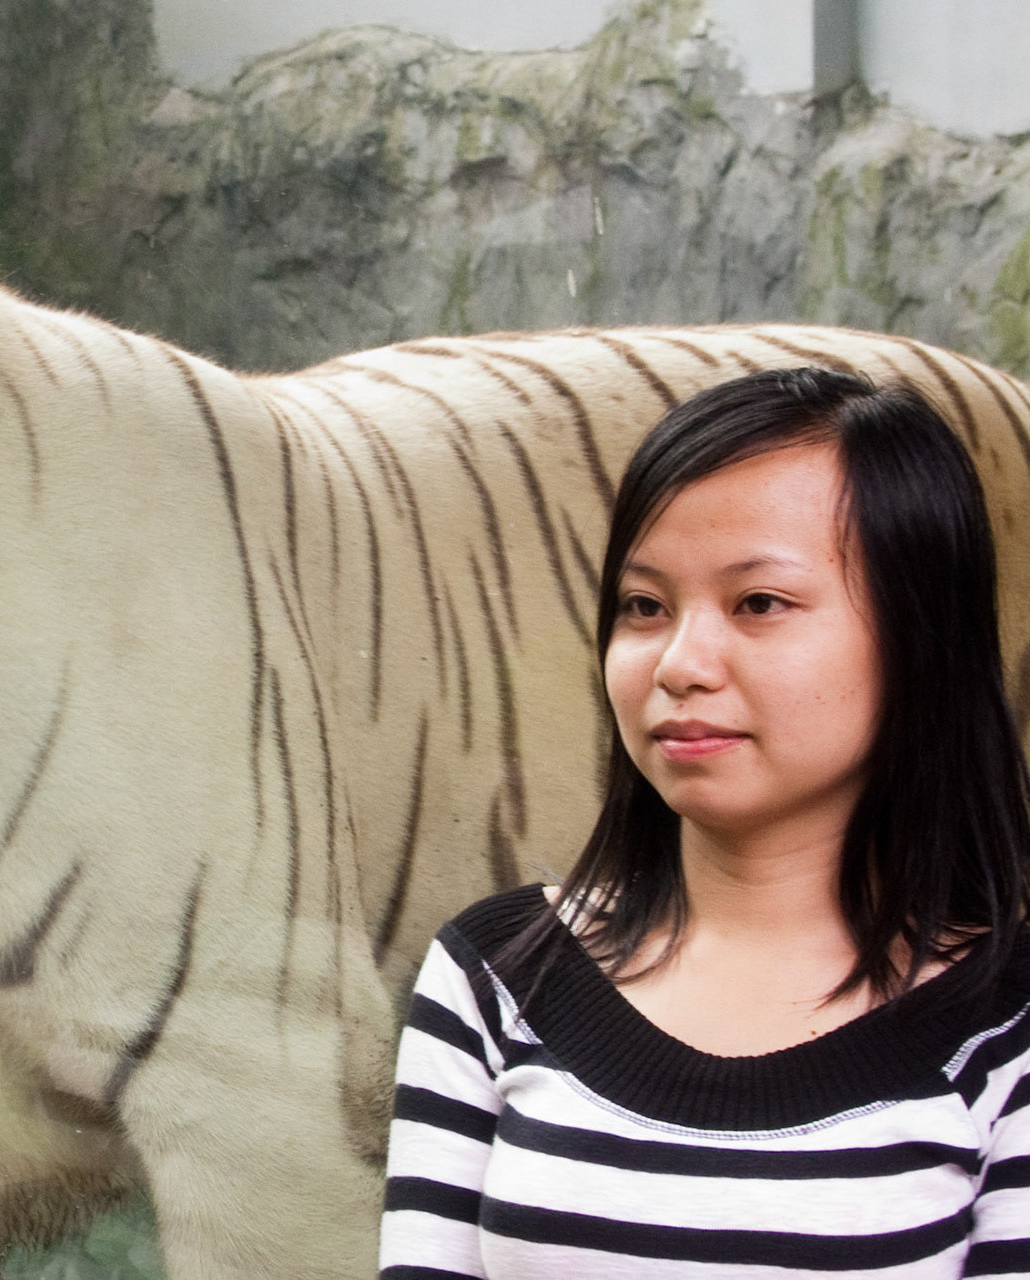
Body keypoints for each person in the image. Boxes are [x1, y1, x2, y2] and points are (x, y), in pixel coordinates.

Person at [380, 367, 1030, 1277]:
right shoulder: (496, 977)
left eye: (759, 603)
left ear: (921, 636)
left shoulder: (1007, 1025)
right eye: (644, 607)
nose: (681, 663)